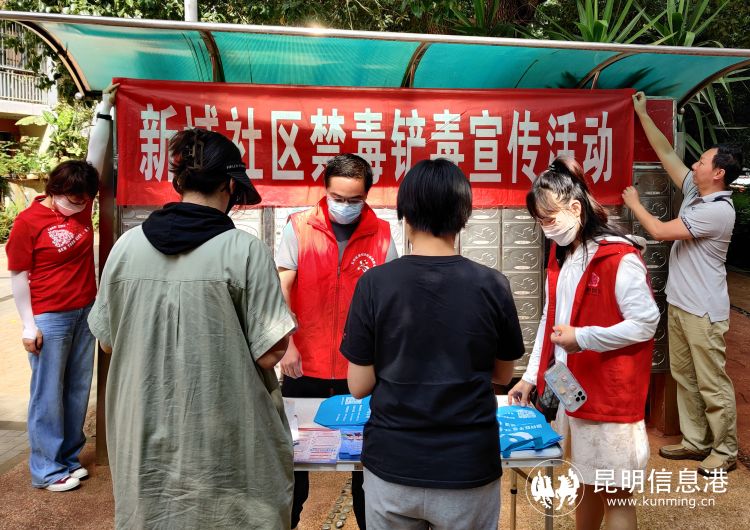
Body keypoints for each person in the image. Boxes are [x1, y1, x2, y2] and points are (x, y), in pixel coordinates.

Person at [87, 128, 296, 529]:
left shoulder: (126, 246)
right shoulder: (245, 250)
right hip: (224, 434)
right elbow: (270, 353)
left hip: (144, 430)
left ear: (178, 182)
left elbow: (108, 342)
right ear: (230, 185)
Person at [342, 159, 524, 530]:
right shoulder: (493, 285)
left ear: (405, 216)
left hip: (393, 465)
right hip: (468, 467)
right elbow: (503, 375)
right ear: (463, 217)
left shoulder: (374, 284)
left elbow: (358, 386)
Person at [509, 157, 659, 530]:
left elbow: (646, 323)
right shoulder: (566, 256)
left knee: (616, 494)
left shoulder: (618, 257)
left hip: (609, 396)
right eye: (540, 221)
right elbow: (551, 318)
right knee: (583, 483)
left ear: (576, 208)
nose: (546, 228)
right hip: (572, 391)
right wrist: (529, 376)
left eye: (550, 218)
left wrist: (584, 337)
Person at [623, 91, 742, 476]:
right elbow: (666, 154)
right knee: (686, 378)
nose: (695, 163)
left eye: (703, 161)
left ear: (718, 173)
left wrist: (635, 203)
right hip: (681, 303)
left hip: (703, 312)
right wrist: (643, 114)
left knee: (711, 383)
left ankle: (724, 451)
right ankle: (696, 441)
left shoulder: (717, 211)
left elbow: (659, 232)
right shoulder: (696, 191)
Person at [275, 153, 397, 529]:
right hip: (302, 365)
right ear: (325, 190)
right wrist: (286, 343)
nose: (345, 206)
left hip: (358, 371)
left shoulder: (382, 234)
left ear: (367, 195)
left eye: (353, 199)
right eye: (337, 198)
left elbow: (390, 300)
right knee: (293, 467)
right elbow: (282, 285)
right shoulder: (299, 227)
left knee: (367, 470)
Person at [6, 84, 116, 492]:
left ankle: (68, 457)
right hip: (49, 317)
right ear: (53, 191)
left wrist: (105, 106)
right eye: (71, 200)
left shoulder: (82, 207)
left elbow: (94, 157)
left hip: (84, 311)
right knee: (47, 393)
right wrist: (27, 325)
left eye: (83, 200)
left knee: (76, 389)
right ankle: (46, 469)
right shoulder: (28, 223)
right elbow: (18, 275)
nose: (78, 206)